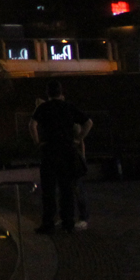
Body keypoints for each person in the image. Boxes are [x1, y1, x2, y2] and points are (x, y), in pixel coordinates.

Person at [29, 80, 92, 234]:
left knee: (49, 190)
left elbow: (32, 125)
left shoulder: (43, 108)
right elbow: (88, 122)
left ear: (48, 93)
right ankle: (68, 222)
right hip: (67, 150)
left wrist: (38, 142)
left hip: (49, 149)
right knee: (67, 189)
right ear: (61, 92)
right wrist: (78, 139)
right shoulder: (68, 107)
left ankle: (48, 222)